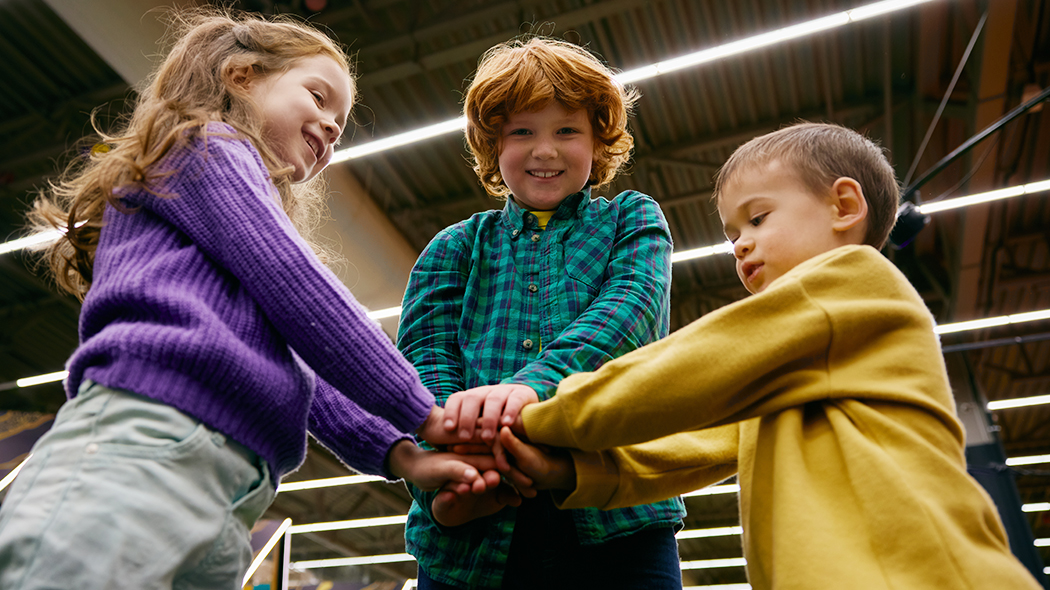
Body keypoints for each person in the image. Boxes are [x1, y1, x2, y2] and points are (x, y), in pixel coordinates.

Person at [0, 10, 494, 590]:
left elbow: (306, 366)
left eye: (341, 123)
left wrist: (401, 453)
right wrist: (423, 412)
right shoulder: (204, 144)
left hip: (233, 484)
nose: (334, 128)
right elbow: (299, 286)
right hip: (150, 435)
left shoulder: (230, 209)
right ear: (241, 76)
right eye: (318, 96)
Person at [494, 122, 1043, 589]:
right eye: (732, 233)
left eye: (757, 219)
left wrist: (533, 412)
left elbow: (692, 368)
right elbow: (692, 446)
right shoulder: (793, 368)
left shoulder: (853, 283)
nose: (740, 244)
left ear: (844, 206)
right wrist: (567, 471)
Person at [396, 36, 686, 589]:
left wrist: (534, 388)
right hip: (470, 537)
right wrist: (447, 469)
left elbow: (631, 311)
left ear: (599, 141)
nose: (545, 150)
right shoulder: (454, 247)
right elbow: (423, 362)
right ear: (492, 145)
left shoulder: (633, 218)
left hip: (619, 524)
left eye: (567, 130)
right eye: (522, 131)